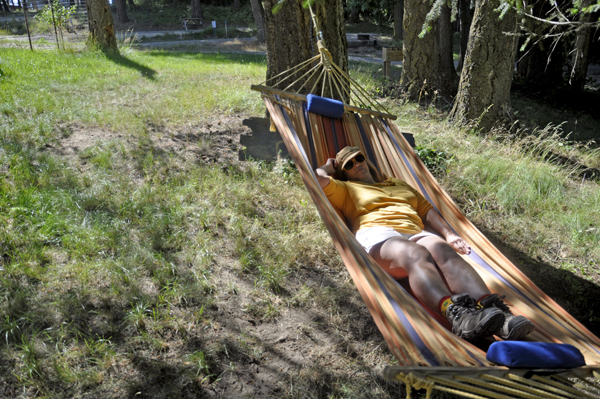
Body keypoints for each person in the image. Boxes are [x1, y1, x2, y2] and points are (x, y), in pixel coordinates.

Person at [316, 146, 534, 342]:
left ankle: (498, 315)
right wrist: (329, 168)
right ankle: (458, 315)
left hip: (413, 230)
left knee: (442, 249)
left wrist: (449, 234)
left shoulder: (398, 184)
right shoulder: (345, 189)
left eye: (359, 158)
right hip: (378, 234)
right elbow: (317, 179)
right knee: (415, 253)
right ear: (344, 172)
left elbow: (425, 209)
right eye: (349, 165)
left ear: (366, 160)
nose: (356, 165)